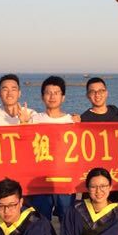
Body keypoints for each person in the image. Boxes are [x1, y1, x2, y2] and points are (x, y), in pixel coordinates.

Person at [28, 76, 79, 220]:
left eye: (56, 93)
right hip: (39, 179)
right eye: (48, 93)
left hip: (65, 179)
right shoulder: (34, 120)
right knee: (40, 219)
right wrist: (23, 123)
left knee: (67, 218)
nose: (52, 96)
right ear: (42, 96)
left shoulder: (72, 121)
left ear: (63, 97)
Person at [80, 77, 118, 210]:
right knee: (93, 214)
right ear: (87, 95)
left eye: (101, 91)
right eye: (93, 91)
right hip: (95, 176)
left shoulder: (117, 113)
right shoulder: (83, 119)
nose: (97, 94)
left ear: (106, 93)